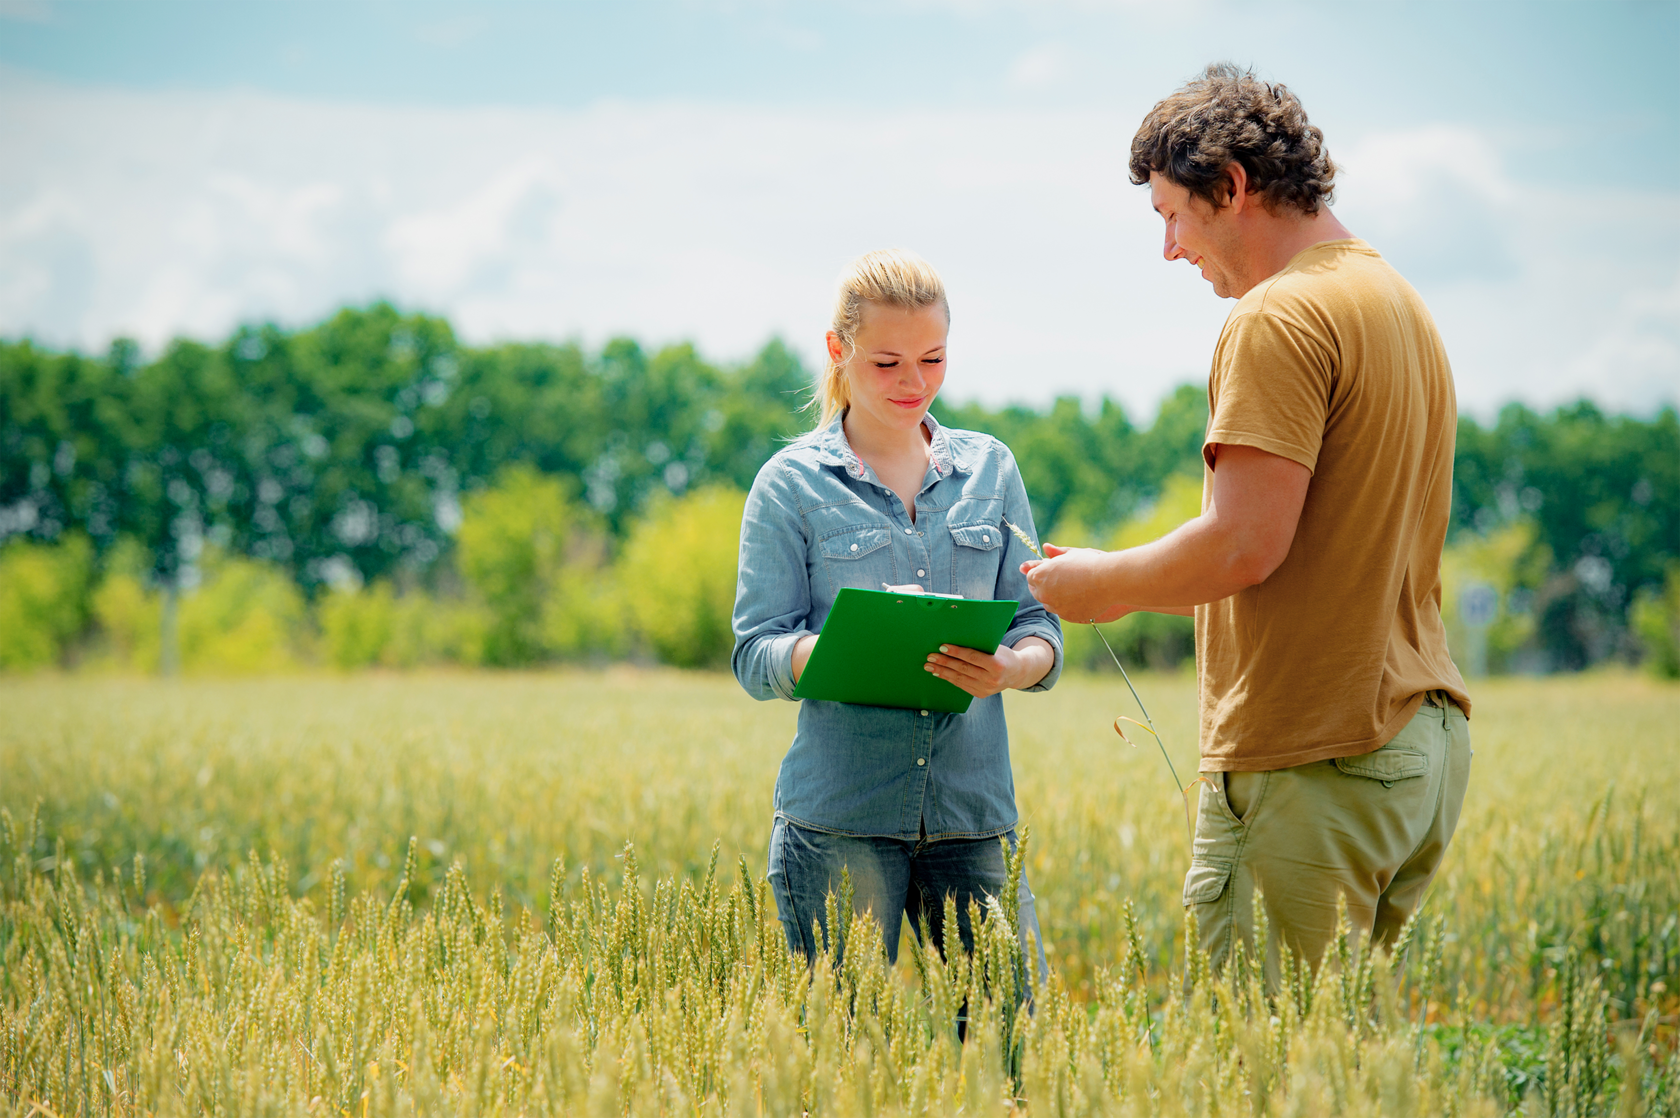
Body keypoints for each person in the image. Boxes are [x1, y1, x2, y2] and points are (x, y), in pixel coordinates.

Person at [1023, 64, 1472, 981]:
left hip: (1315, 758)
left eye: (1172, 215)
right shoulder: (1397, 303)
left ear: (1231, 187)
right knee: (1334, 1066)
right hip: (1413, 750)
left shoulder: (1278, 315)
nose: (1171, 249)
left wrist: (1099, 587)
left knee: (1254, 1070)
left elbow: (1243, 543)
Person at [732, 248, 1062, 976]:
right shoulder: (789, 485)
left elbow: (1039, 626)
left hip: (974, 817)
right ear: (837, 352)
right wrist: (839, 649)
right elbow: (754, 653)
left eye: (934, 358)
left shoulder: (993, 469)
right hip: (840, 818)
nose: (915, 383)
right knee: (841, 1055)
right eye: (887, 364)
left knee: (1009, 1045)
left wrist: (1011, 667)